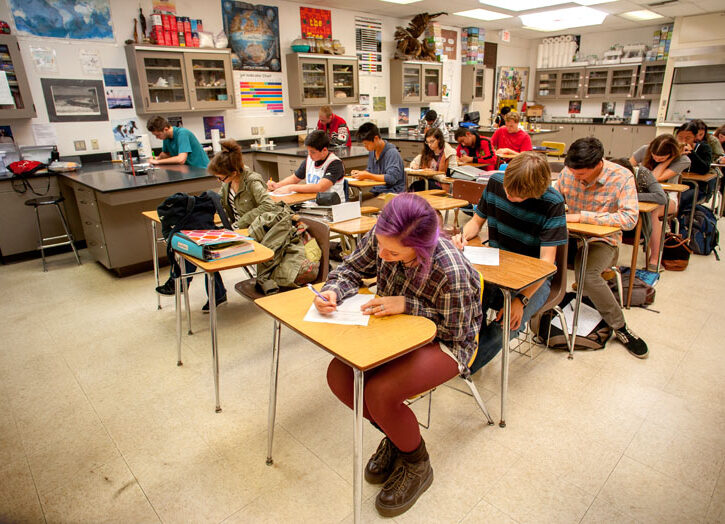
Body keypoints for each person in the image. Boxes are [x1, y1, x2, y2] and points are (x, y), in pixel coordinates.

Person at [316, 193, 482, 517]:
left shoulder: (449, 268)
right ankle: (398, 437)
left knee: (380, 393)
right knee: (339, 376)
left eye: (392, 252)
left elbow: (455, 332)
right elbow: (351, 267)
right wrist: (334, 289)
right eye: (380, 245)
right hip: (397, 330)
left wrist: (407, 304)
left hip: (449, 343)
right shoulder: (385, 232)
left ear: (418, 249)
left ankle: (417, 464)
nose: (381, 254)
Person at [452, 152, 568, 373]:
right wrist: (463, 236)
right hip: (496, 267)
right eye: (507, 189)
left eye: (517, 195)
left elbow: (546, 264)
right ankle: (455, 355)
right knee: (467, 303)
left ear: (536, 192)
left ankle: (464, 368)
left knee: (505, 325)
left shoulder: (553, 203)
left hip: (533, 281)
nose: (508, 195)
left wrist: (521, 300)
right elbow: (476, 222)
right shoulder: (497, 182)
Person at [554, 137, 649, 358]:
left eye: (581, 175)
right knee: (535, 255)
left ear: (598, 164)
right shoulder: (569, 172)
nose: (575, 178)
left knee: (587, 276)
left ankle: (620, 327)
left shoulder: (621, 176)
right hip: (569, 236)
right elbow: (554, 199)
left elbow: (629, 220)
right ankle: (536, 310)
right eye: (573, 173)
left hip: (602, 241)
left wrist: (582, 217)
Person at [629, 134, 689, 268]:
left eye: (661, 157)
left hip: (668, 198)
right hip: (643, 194)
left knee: (652, 211)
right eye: (654, 155)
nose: (656, 158)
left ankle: (655, 258)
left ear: (671, 154)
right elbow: (627, 169)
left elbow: (654, 177)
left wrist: (669, 160)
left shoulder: (683, 160)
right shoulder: (645, 150)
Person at [610, 158, 667, 269]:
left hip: (639, 217)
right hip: (616, 215)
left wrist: (629, 195)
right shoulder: (607, 174)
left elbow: (661, 197)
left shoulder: (642, 173)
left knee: (654, 213)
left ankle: (655, 259)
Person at [212, 139, 279, 229]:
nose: (219, 181)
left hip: (253, 229)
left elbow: (268, 205)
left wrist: (242, 222)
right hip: (237, 228)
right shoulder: (228, 182)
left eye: (221, 178)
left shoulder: (252, 181)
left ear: (233, 173)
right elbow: (219, 202)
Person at [267, 130, 347, 202]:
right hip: (312, 205)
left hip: (332, 207)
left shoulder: (335, 163)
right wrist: (278, 185)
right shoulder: (310, 160)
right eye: (308, 151)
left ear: (324, 150)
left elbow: (320, 187)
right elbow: (295, 178)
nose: (309, 155)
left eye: (312, 152)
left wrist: (291, 188)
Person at [350, 122, 405, 208]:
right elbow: (371, 171)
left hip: (392, 194)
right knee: (350, 203)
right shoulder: (373, 151)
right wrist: (361, 173)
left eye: (366, 144)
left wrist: (368, 175)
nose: (366, 147)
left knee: (360, 207)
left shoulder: (392, 153)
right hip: (377, 192)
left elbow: (391, 178)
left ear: (376, 138)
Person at [676, 121, 713, 209]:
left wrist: (692, 153)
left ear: (695, 138)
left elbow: (704, 169)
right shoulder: (672, 147)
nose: (683, 141)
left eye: (688, 138)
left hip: (695, 187)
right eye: (680, 137)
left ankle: (677, 221)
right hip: (676, 183)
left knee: (680, 199)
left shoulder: (703, 148)